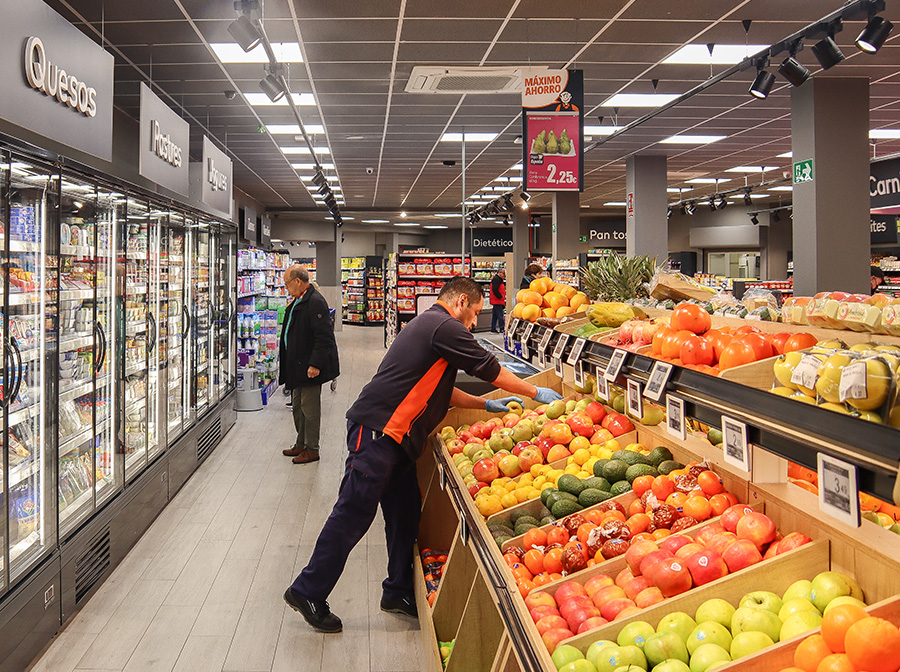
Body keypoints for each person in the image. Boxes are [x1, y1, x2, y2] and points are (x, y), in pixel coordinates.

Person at [283, 276, 562, 633]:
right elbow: (489, 368)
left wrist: (486, 404)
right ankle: (307, 590)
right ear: (461, 301)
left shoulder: (431, 327)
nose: (476, 322)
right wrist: (535, 392)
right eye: (476, 313)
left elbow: (440, 391)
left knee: (405, 512)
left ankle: (397, 590)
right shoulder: (443, 324)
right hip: (376, 432)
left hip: (396, 440)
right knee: (353, 512)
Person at [279, 265, 340, 464]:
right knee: (298, 406)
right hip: (297, 365)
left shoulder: (315, 302)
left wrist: (315, 364)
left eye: (287, 284)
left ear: (298, 281)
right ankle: (301, 443)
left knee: (309, 408)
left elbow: (324, 338)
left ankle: (312, 448)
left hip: (308, 367)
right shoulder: (299, 300)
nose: (286, 288)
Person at [489, 268, 506, 333]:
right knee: (500, 315)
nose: (504, 275)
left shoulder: (497, 279)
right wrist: (500, 296)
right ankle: (502, 328)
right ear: (499, 273)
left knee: (495, 315)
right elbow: (495, 289)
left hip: (496, 300)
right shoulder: (497, 280)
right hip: (497, 300)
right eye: (503, 273)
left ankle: (493, 328)